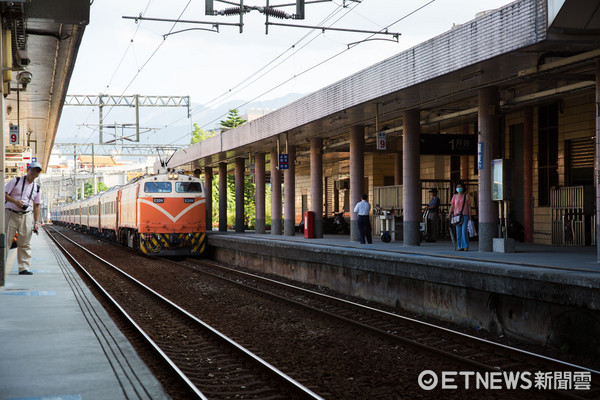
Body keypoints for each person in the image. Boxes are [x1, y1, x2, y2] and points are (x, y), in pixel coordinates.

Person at [5, 162, 43, 275]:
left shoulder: (36, 188)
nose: (35, 173)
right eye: (33, 170)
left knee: (25, 242)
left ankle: (23, 267)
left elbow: (36, 205)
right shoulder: (15, 181)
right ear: (28, 170)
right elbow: (4, 194)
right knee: (6, 241)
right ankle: (2, 266)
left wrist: (36, 222)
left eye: (37, 171)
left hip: (26, 215)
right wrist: (15, 202)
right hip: (10, 213)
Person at [448, 182, 471, 251]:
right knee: (458, 231)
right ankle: (460, 246)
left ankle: (465, 246)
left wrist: (470, 216)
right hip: (456, 216)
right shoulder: (454, 196)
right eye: (457, 187)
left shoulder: (466, 196)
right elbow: (452, 206)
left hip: (465, 214)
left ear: (463, 188)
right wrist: (449, 214)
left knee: (464, 230)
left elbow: (469, 207)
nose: (459, 188)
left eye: (460, 187)